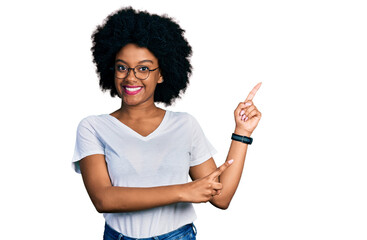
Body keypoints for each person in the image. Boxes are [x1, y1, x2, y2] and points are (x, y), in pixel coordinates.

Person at [72, 7, 262, 240]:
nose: (131, 77)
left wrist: (242, 132)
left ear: (161, 74)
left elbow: (221, 198)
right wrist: (184, 191)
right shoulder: (93, 127)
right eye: (122, 67)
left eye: (143, 68)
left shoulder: (185, 125)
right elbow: (104, 199)